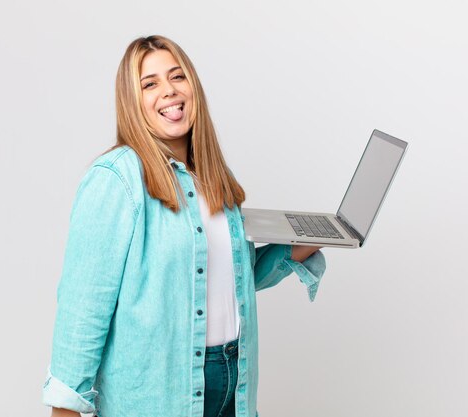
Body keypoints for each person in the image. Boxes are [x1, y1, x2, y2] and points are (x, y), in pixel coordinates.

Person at [42, 35, 326, 417]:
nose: (169, 91)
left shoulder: (211, 175)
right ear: (132, 101)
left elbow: (231, 278)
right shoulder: (117, 178)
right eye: (150, 83)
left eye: (178, 77)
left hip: (235, 383)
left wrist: (313, 239)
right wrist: (66, 409)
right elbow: (83, 308)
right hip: (161, 394)